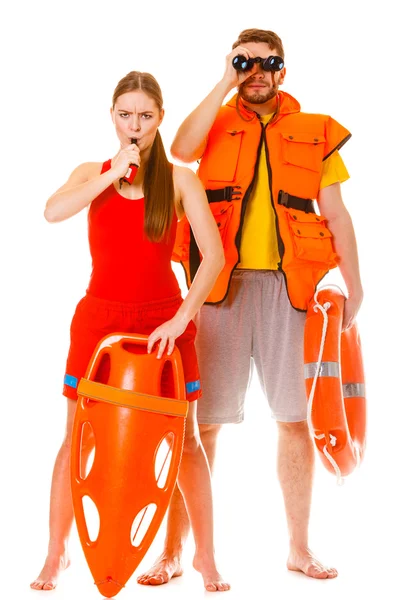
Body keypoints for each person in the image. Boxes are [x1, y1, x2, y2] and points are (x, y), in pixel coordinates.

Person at [137, 29, 363, 585]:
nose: (255, 71)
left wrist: (356, 286)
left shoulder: (314, 132)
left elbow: (336, 214)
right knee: (200, 427)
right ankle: (174, 552)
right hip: (218, 289)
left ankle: (299, 549)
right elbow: (180, 149)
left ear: (284, 69)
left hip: (292, 291)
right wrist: (224, 81)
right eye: (246, 62)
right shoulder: (214, 120)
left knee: (295, 421)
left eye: (267, 64)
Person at [30, 70, 230, 593]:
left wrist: (182, 316)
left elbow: (214, 257)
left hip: (164, 323)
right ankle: (56, 556)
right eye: (125, 114)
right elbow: (52, 211)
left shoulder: (182, 179)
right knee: (77, 438)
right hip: (99, 322)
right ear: (112, 116)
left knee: (185, 441)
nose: (135, 124)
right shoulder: (90, 171)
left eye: (145, 115)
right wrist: (110, 173)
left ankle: (205, 558)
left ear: (160, 117)